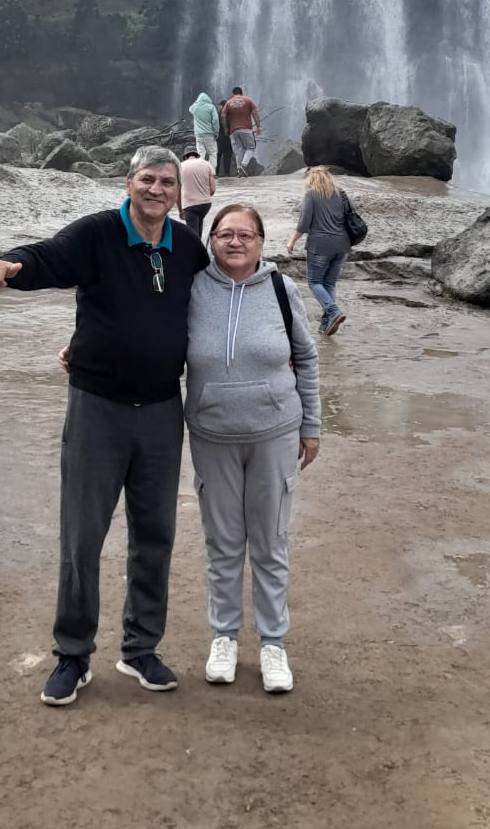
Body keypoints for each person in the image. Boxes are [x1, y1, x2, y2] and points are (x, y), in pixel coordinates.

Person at [0, 146, 209, 706]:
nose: (157, 190)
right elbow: (49, 256)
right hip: (97, 409)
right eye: (148, 179)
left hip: (162, 411)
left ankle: (141, 648)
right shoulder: (98, 233)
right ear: (128, 183)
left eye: (167, 183)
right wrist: (12, 265)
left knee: (155, 535)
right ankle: (73, 654)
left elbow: (217, 305)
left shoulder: (187, 247)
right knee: (83, 536)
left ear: (179, 192)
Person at [185, 203, 321, 694]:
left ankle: (272, 643)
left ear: (262, 242)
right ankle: (223, 637)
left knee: (269, 543)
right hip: (212, 434)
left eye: (245, 234)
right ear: (212, 241)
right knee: (222, 544)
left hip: (274, 433)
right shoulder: (192, 288)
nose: (235, 242)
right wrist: (88, 350)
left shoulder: (282, 290)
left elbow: (306, 357)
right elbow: (150, 337)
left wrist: (312, 426)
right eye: (225, 234)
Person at [286, 165, 353, 336]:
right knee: (329, 284)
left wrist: (292, 241)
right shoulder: (341, 193)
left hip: (320, 245)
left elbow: (303, 224)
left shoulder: (311, 194)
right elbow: (350, 216)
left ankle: (333, 311)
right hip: (342, 245)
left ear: (312, 180)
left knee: (314, 283)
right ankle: (325, 325)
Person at [220, 87, 261, 178]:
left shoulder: (228, 103)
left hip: (234, 131)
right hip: (246, 129)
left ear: (233, 93)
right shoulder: (248, 100)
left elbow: (223, 115)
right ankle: (244, 165)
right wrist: (258, 126)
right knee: (250, 148)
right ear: (242, 93)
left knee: (238, 150)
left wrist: (226, 128)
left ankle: (239, 171)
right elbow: (255, 113)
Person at [179, 144, 216, 240]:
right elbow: (212, 189)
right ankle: (199, 246)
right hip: (206, 204)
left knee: (192, 236)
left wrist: (180, 210)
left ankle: (196, 248)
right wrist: (204, 196)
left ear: (185, 156)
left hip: (189, 206)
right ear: (197, 155)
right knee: (198, 227)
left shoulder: (180, 167)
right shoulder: (207, 164)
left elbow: (177, 192)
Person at [188, 91, 220, 167]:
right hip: (209, 134)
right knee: (212, 153)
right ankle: (212, 171)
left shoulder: (195, 107)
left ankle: (200, 170)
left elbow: (190, 108)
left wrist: (197, 102)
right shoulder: (211, 107)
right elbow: (215, 120)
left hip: (198, 135)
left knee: (201, 154)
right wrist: (216, 131)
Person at [215, 99, 233, 177]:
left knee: (218, 155)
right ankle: (227, 173)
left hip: (220, 137)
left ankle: (216, 172)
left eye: (220, 105)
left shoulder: (218, 114)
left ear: (222, 106)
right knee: (228, 156)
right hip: (229, 137)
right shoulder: (231, 114)